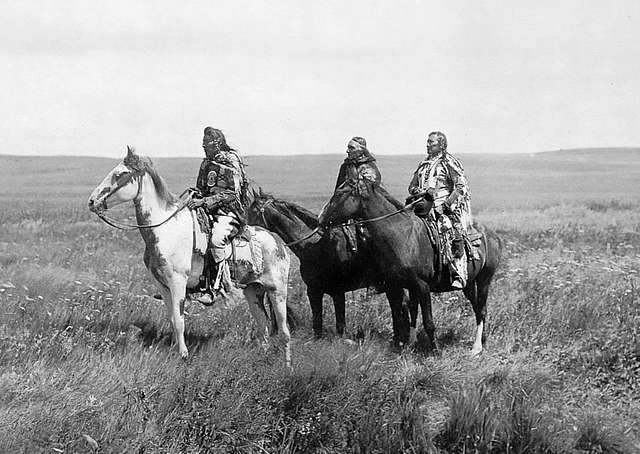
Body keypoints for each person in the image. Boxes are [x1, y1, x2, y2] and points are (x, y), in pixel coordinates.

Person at [187, 127, 248, 305]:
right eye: (203, 144)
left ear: (218, 143)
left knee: (216, 239)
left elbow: (231, 193)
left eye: (208, 144)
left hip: (228, 211)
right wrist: (196, 195)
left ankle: (215, 288)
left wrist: (205, 202)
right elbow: (202, 188)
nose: (204, 147)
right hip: (206, 210)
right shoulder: (206, 163)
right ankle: (190, 285)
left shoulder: (230, 161)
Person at [407, 131, 471, 289]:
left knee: (447, 228)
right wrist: (420, 192)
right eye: (427, 142)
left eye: (432, 143)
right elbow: (411, 186)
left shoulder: (449, 162)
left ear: (441, 145)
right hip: (422, 202)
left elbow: (461, 186)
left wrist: (446, 204)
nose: (428, 145)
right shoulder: (424, 164)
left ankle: (458, 272)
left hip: (443, 204)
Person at [318, 136, 381, 227]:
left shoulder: (368, 167)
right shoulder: (345, 166)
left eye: (351, 148)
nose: (347, 151)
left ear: (361, 150)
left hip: (367, 210)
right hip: (344, 207)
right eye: (348, 147)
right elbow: (338, 190)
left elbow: (371, 192)